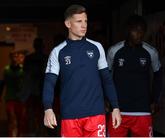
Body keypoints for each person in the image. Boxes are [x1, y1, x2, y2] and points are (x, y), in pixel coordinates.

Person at [43, 4, 121, 137]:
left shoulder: (97, 47)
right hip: (70, 116)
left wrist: (115, 107)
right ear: (68, 23)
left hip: (96, 114)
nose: (84, 25)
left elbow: (107, 80)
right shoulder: (58, 52)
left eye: (85, 21)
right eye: (79, 21)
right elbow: (49, 83)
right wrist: (48, 109)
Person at [106, 14, 162, 137]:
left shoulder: (151, 52)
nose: (140, 34)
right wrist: (107, 99)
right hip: (118, 110)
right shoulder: (114, 51)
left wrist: (155, 100)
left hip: (142, 110)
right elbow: (106, 77)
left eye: (142, 31)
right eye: (136, 30)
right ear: (128, 31)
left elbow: (158, 75)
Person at [20, 37, 48, 136]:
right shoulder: (31, 58)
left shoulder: (44, 58)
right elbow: (26, 74)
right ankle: (36, 133)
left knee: (39, 115)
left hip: (39, 91)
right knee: (33, 114)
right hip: (34, 91)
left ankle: (38, 133)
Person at [1, 49, 27, 136]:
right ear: (10, 58)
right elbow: (2, 83)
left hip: (20, 99)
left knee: (20, 121)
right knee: (12, 119)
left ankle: (19, 135)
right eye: (13, 56)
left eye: (16, 56)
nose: (15, 58)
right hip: (10, 98)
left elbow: (26, 84)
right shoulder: (6, 69)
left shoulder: (22, 69)